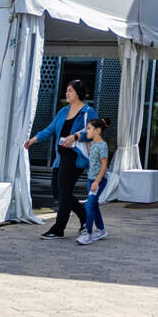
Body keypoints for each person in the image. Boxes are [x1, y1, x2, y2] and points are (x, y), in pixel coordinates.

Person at [27, 79, 93, 239]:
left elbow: (95, 133)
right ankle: (84, 215)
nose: (67, 93)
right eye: (67, 90)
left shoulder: (88, 112)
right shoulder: (63, 111)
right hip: (61, 156)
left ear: (78, 93)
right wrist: (35, 139)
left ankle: (58, 228)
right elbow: (50, 129)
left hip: (75, 157)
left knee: (64, 191)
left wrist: (76, 136)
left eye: (70, 90)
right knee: (57, 192)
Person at [77, 116, 112, 245]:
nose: (87, 131)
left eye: (89, 129)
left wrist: (96, 182)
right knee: (94, 204)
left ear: (97, 130)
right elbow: (92, 154)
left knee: (89, 205)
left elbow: (104, 165)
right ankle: (102, 230)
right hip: (91, 180)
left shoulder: (103, 145)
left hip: (98, 181)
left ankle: (88, 233)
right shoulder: (94, 144)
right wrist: (86, 141)